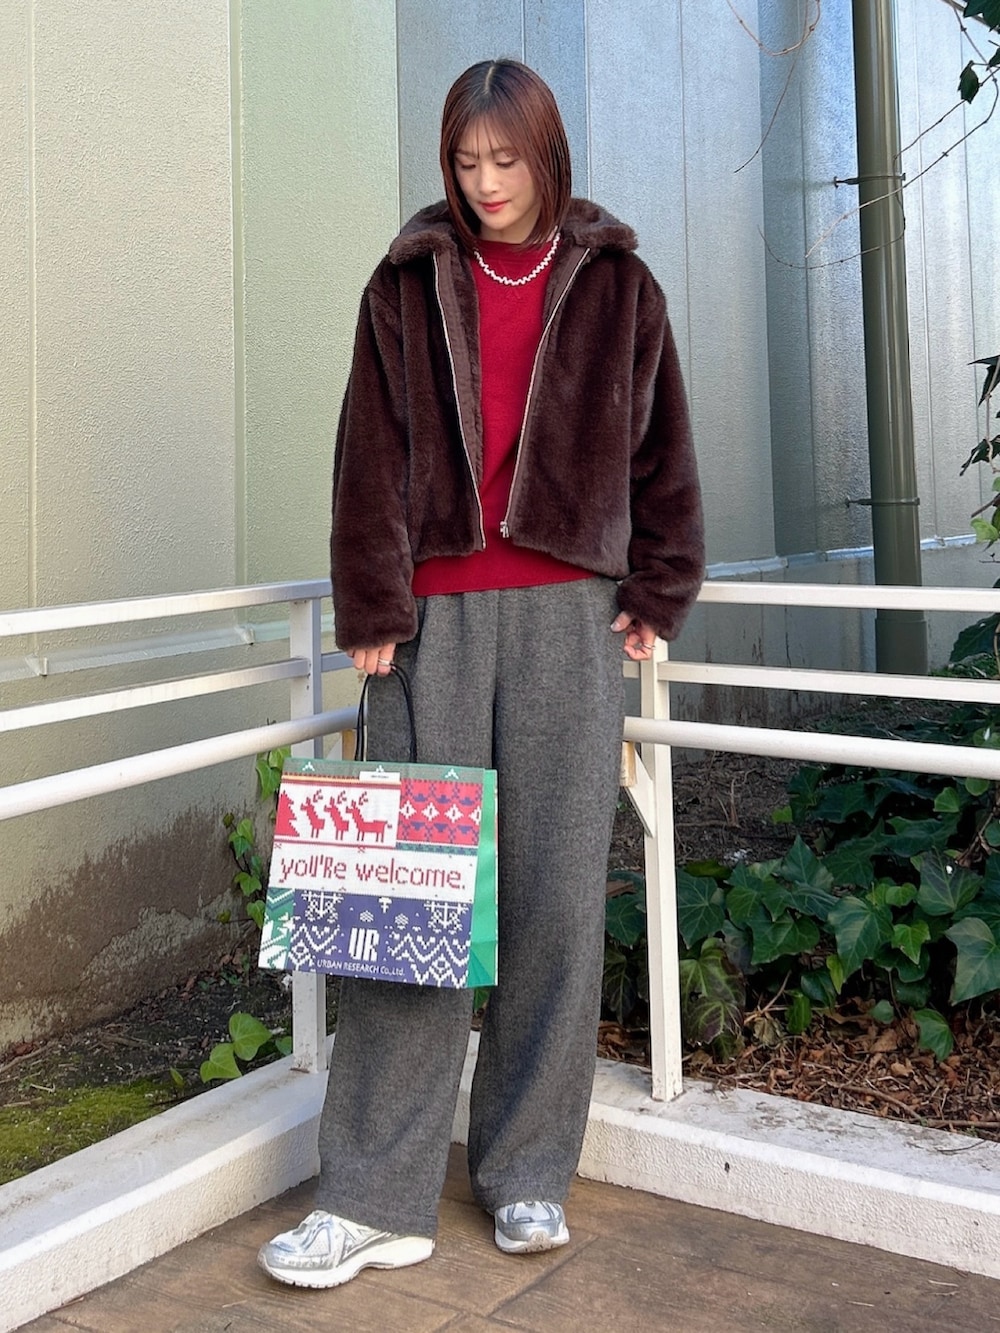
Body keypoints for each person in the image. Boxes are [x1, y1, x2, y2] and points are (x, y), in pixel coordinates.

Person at [258, 56, 704, 1290]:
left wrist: (659, 587)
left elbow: (663, 451)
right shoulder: (406, 281)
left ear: (545, 154)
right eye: (466, 161)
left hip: (570, 621)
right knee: (409, 909)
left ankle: (526, 1173)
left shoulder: (617, 283)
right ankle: (371, 1198)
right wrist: (371, 601)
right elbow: (367, 452)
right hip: (433, 623)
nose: (486, 183)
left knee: (555, 899)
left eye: (506, 160)